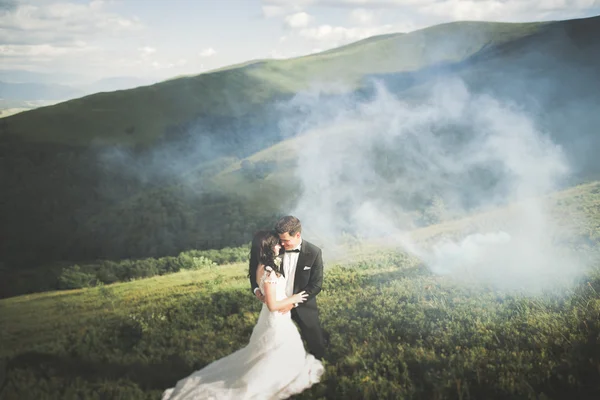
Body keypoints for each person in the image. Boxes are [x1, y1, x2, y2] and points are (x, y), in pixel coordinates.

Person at [162, 230, 324, 400]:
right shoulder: (269, 271)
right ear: (269, 247)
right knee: (275, 349)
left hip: (272, 317)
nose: (280, 245)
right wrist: (294, 298)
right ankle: (268, 377)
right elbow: (273, 304)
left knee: (269, 348)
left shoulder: (262, 266)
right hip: (275, 318)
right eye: (276, 243)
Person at [250, 216, 326, 361]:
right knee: (276, 344)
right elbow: (254, 270)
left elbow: (316, 285)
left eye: (285, 240)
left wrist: (293, 303)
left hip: (303, 305)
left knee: (315, 341)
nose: (282, 244)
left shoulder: (314, 252)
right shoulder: (274, 249)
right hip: (276, 309)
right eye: (280, 240)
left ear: (297, 235)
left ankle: (320, 361)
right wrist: (256, 290)